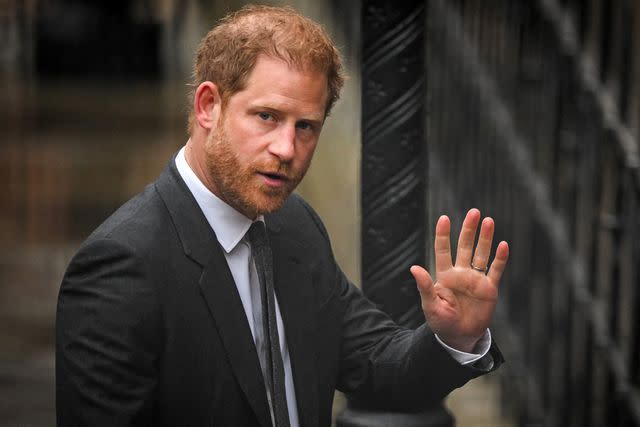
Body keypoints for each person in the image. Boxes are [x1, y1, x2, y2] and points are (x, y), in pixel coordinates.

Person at [56, 4, 509, 427]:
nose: (287, 149)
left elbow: (376, 368)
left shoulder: (294, 226)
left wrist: (452, 338)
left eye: (306, 126)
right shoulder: (121, 267)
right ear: (208, 106)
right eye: (267, 116)